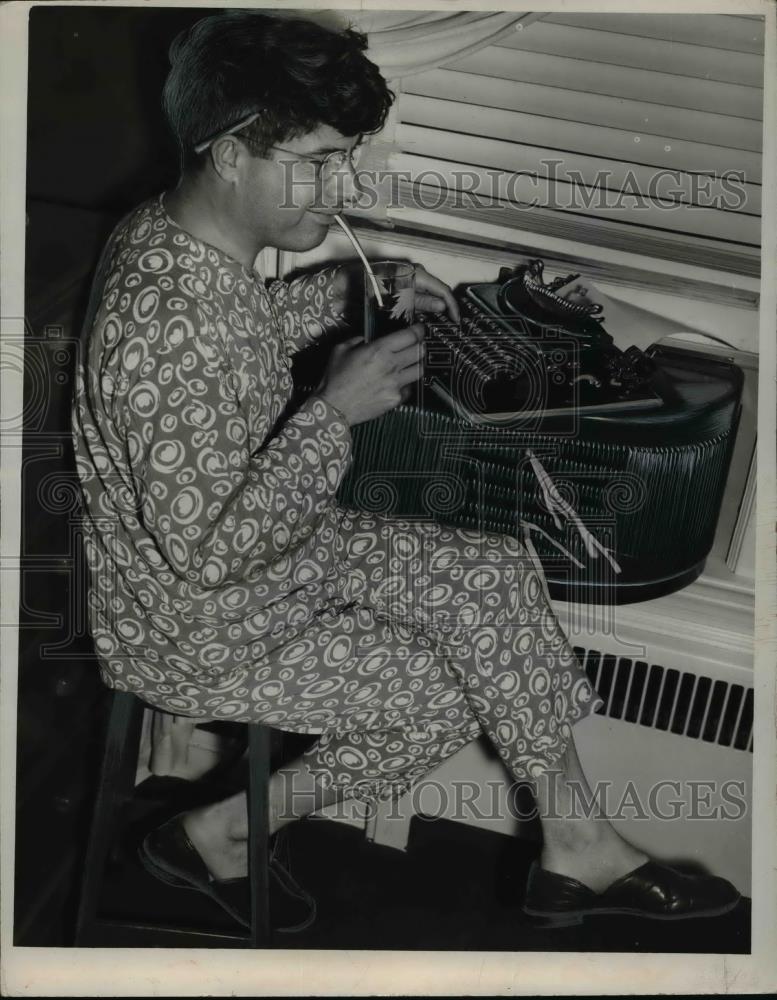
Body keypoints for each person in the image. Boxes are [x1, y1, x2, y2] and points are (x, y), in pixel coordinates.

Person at [72, 10, 740, 934]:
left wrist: (345, 292)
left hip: (273, 554)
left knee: (495, 571)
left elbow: (229, 345)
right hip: (195, 622)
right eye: (321, 159)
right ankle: (223, 830)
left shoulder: (185, 242)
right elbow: (206, 553)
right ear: (230, 154)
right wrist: (331, 414)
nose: (340, 185)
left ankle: (576, 843)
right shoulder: (161, 321)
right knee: (445, 686)